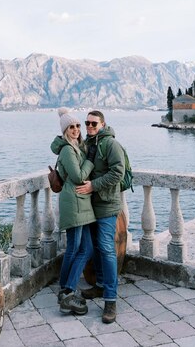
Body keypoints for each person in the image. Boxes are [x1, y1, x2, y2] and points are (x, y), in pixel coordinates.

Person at [76, 110, 125, 324]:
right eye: (86, 122)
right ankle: (100, 285)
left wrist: (93, 186)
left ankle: (111, 299)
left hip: (107, 205)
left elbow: (118, 172)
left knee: (106, 248)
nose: (89, 126)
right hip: (90, 205)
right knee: (95, 246)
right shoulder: (88, 143)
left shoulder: (111, 144)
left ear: (103, 124)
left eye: (93, 123)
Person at [51, 107, 97, 315]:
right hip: (74, 202)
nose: (77, 129)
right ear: (65, 130)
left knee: (86, 248)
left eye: (78, 126)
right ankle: (67, 290)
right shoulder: (68, 150)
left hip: (82, 202)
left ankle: (66, 288)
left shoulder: (77, 146)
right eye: (72, 127)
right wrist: (90, 161)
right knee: (75, 247)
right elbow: (78, 177)